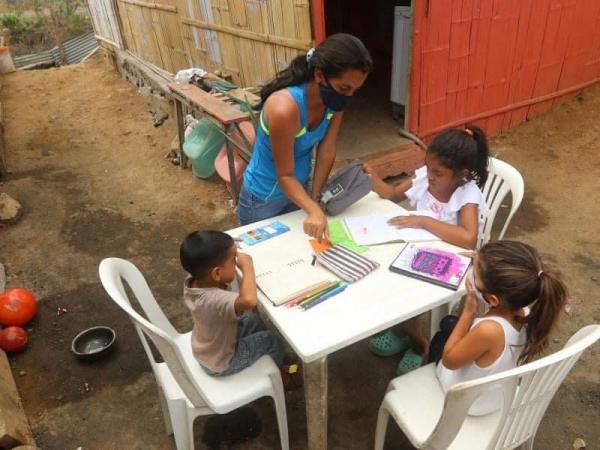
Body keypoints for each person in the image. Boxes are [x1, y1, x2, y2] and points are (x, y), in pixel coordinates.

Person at [366, 124, 490, 371]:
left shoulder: (466, 194)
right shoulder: (426, 176)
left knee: (407, 290)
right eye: (428, 167)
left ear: (461, 174)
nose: (430, 176)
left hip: (448, 261)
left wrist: (423, 220)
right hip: (417, 249)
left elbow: (468, 238)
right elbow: (393, 194)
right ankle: (406, 331)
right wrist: (372, 178)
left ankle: (418, 344)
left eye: (438, 173)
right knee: (384, 275)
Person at [238, 33, 373, 240]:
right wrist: (313, 208)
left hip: (299, 192)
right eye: (344, 88)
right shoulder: (285, 109)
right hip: (262, 200)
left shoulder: (335, 101)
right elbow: (284, 175)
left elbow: (327, 149)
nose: (348, 96)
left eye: (355, 90)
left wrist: (314, 198)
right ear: (319, 75)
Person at [434, 240, 567, 415]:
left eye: (475, 274)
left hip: (470, 403)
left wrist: (469, 311)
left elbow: (449, 361)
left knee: (440, 337)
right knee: (448, 323)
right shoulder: (527, 311)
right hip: (496, 395)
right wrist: (482, 261)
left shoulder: (489, 330)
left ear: (493, 300)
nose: (472, 274)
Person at [180, 230, 284, 376]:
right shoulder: (213, 299)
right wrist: (248, 266)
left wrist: (228, 246)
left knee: (253, 319)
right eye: (233, 260)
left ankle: (263, 354)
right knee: (270, 339)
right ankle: (282, 375)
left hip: (208, 347)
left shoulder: (196, 278)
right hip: (222, 361)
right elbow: (249, 300)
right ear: (216, 273)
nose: (236, 262)